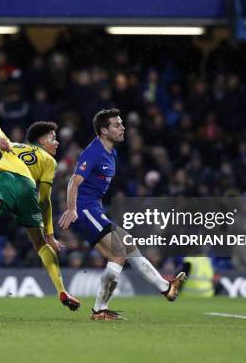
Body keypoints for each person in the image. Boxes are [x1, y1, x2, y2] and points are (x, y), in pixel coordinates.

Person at [58, 108, 186, 321]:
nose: (122, 127)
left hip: (94, 209)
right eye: (117, 125)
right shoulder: (94, 151)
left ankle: (166, 288)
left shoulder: (112, 153)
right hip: (84, 209)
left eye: (122, 123)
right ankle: (100, 310)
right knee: (118, 253)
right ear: (104, 130)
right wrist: (72, 209)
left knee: (128, 244)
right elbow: (74, 181)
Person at [0, 121, 80, 311]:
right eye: (53, 138)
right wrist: (50, 234)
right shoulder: (49, 161)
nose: (57, 142)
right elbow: (44, 200)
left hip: (3, 175)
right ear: (42, 140)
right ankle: (62, 290)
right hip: (27, 186)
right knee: (41, 244)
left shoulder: (14, 146)